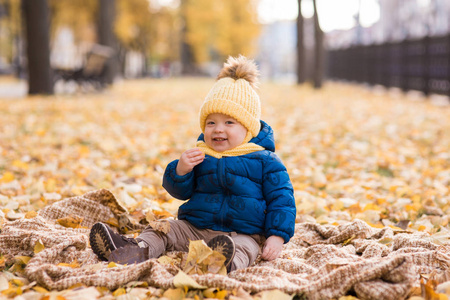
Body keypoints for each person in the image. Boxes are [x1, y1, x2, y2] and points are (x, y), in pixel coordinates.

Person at [89, 55, 296, 272]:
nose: (218, 129)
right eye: (211, 122)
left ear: (248, 128)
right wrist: (181, 170)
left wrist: (276, 236)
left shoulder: (265, 161)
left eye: (229, 123)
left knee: (244, 249)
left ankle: (222, 263)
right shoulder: (200, 154)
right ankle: (133, 249)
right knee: (164, 228)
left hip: (243, 233)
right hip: (195, 228)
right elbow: (180, 191)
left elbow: (282, 200)